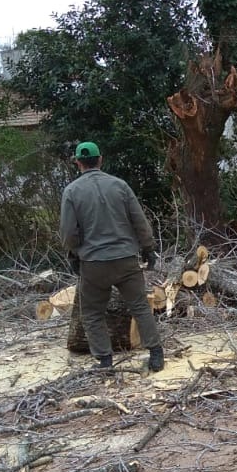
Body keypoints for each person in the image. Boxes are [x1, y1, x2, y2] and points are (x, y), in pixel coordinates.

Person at [60, 141, 165, 371]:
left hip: (94, 262)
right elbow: (139, 220)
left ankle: (105, 361)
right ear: (100, 159)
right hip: (126, 258)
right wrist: (148, 249)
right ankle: (156, 353)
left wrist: (75, 255)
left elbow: (68, 232)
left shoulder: (71, 191)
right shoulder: (120, 186)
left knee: (92, 313)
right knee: (139, 306)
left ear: (78, 163)